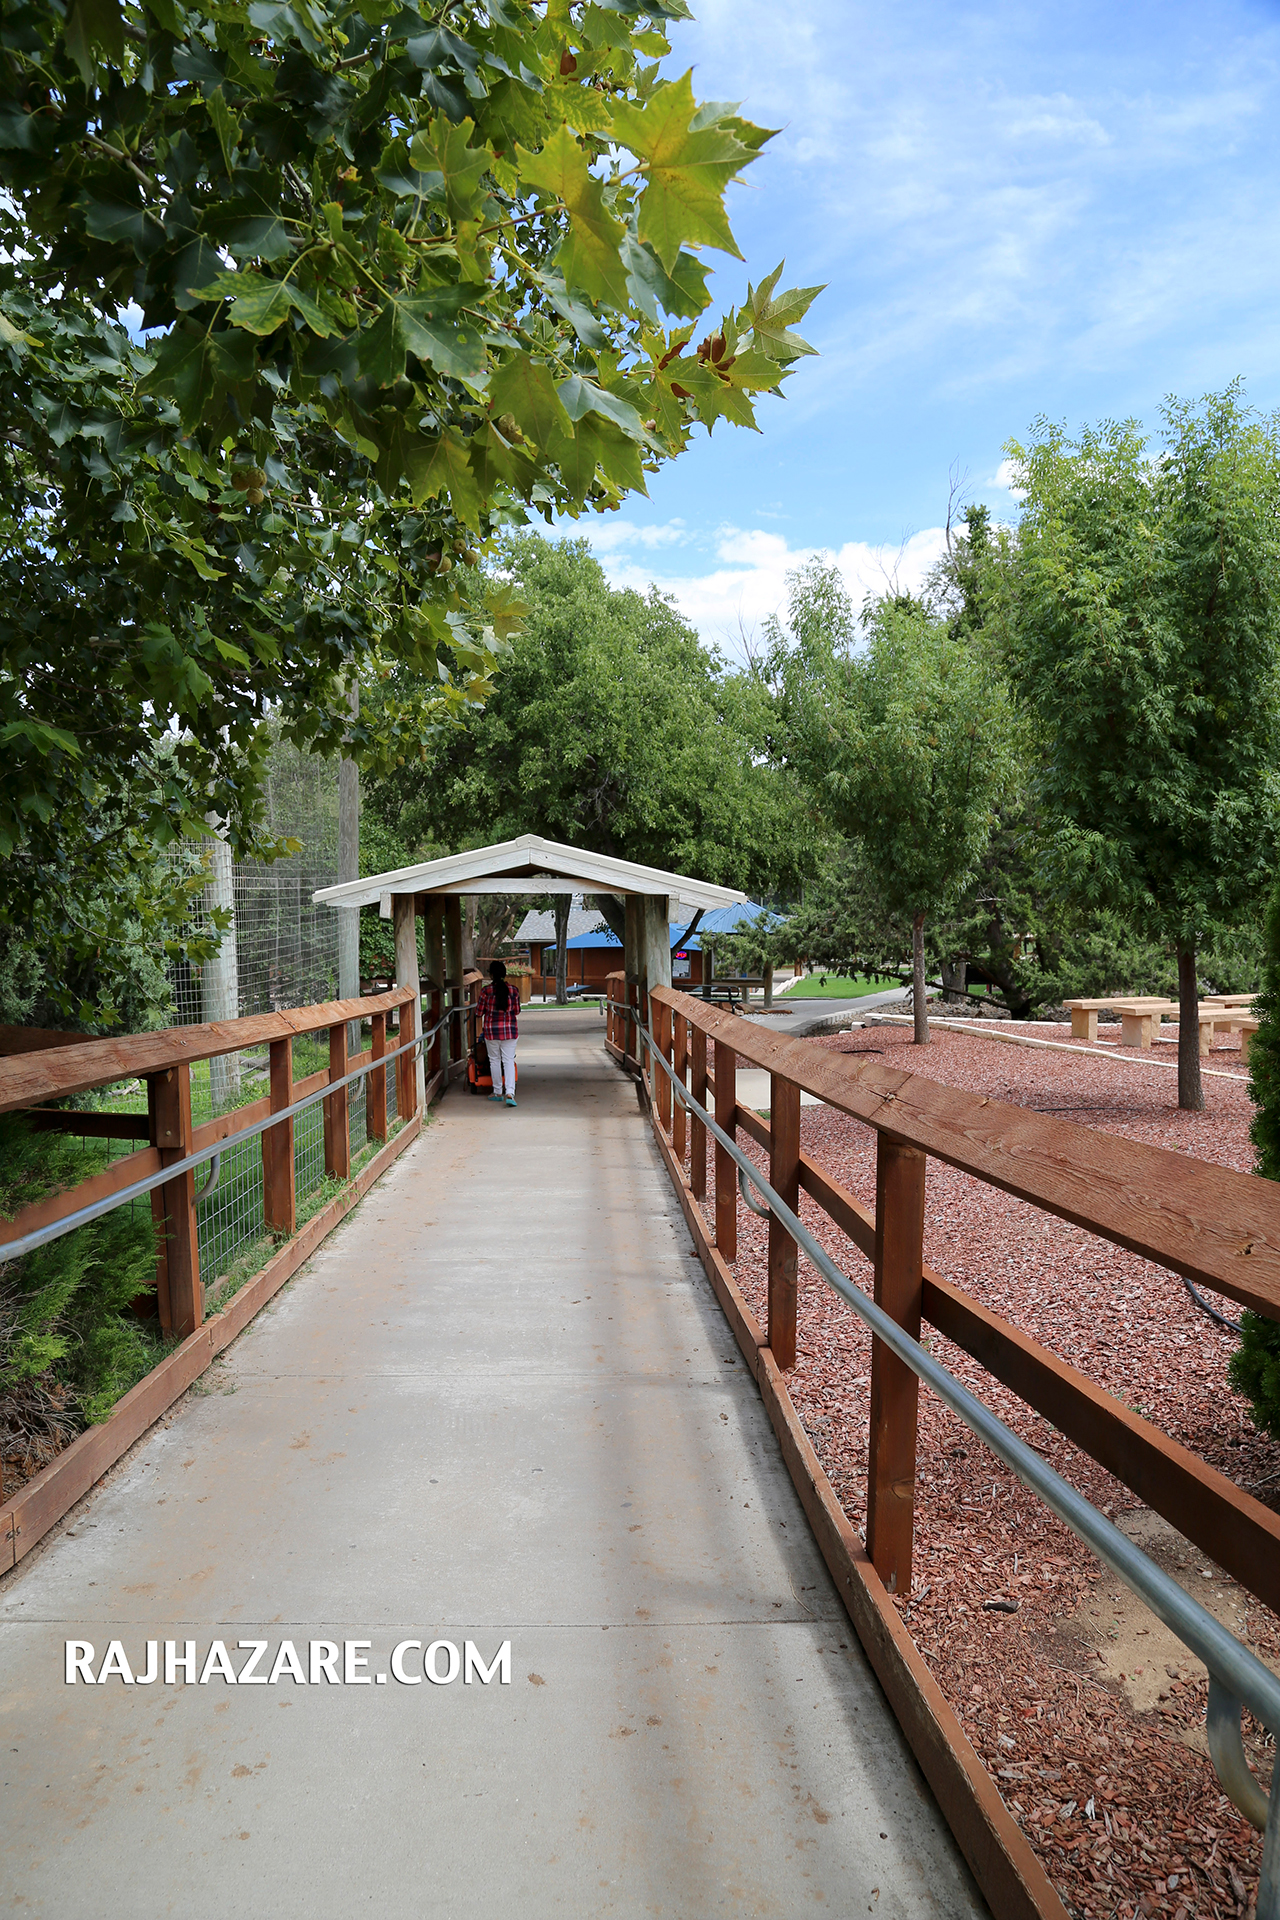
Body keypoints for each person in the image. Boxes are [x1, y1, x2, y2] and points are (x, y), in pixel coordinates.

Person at [477, 959, 519, 1107]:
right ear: (504, 973)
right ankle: (510, 1093)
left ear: (491, 974)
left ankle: (497, 1092)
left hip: (491, 1031)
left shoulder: (485, 991)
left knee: (494, 1060)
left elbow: (479, 1012)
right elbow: (517, 1010)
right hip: (510, 1031)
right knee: (508, 1060)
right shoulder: (513, 990)